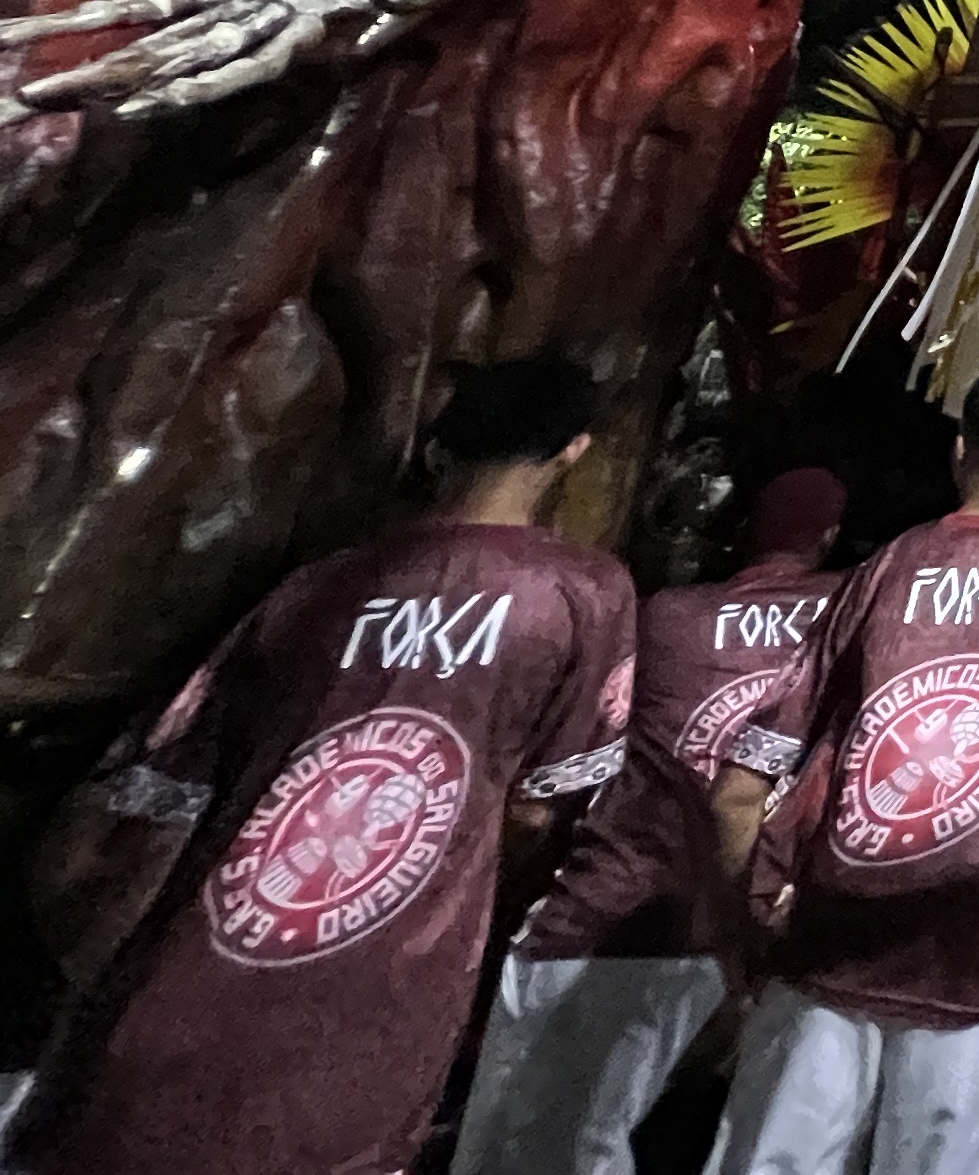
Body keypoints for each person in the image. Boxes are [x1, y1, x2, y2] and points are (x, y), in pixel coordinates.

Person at [7, 355, 637, 1175]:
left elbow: (172, 774)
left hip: (178, 983)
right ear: (573, 450)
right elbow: (542, 805)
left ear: (444, 448)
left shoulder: (315, 585)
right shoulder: (580, 591)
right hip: (366, 1008)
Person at [702, 363, 979, 1175]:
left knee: (775, 1157)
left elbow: (741, 787)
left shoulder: (884, 569)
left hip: (837, 922)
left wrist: (736, 932)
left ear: (960, 449)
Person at [449, 463, 854, 1174]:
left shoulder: (667, 612)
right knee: (588, 1143)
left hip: (599, 908)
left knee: (517, 1145)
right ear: (828, 537)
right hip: (723, 930)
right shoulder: (851, 610)